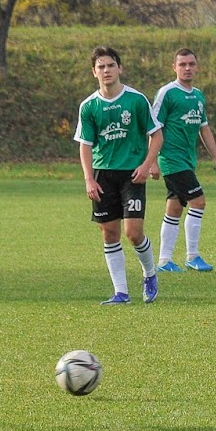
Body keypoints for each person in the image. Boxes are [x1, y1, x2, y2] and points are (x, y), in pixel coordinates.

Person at [74, 45, 164, 305]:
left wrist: (147, 164)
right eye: (100, 66)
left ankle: (149, 274)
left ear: (119, 68)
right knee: (109, 233)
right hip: (103, 175)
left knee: (133, 232)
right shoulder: (89, 106)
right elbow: (85, 145)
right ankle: (121, 292)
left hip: (132, 174)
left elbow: (156, 134)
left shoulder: (136, 100)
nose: (106, 70)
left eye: (110, 65)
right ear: (94, 72)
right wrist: (89, 179)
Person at [150, 48, 216, 273]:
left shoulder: (198, 95)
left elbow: (204, 129)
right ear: (174, 67)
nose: (187, 68)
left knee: (174, 208)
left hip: (187, 160)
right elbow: (154, 128)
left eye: (191, 64)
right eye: (182, 64)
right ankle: (192, 256)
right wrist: (152, 161)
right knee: (198, 202)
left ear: (197, 66)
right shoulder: (167, 93)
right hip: (171, 159)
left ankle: (164, 261)